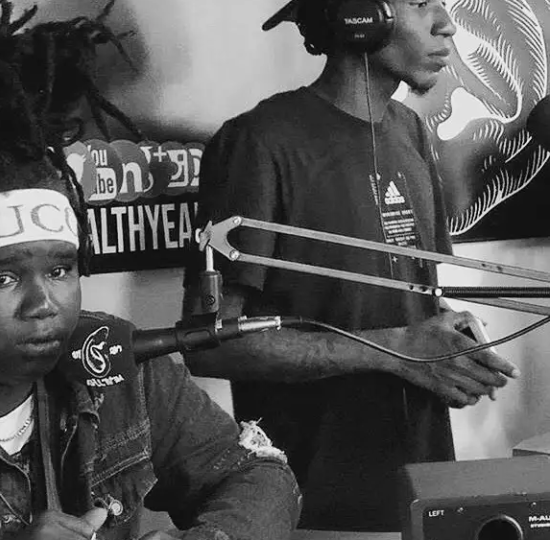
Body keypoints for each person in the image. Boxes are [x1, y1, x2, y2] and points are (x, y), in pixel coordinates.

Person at [0, 4, 300, 539]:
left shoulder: (114, 363)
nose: (44, 304)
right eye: (3, 278)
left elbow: (261, 476)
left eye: (59, 270)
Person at [182, 0, 520, 532]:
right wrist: (399, 351)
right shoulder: (258, 142)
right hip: (312, 507)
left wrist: (449, 344)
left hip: (422, 494)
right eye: (419, 4)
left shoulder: (410, 131)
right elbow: (209, 343)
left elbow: (406, 302)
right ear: (361, 16)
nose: (446, 24)